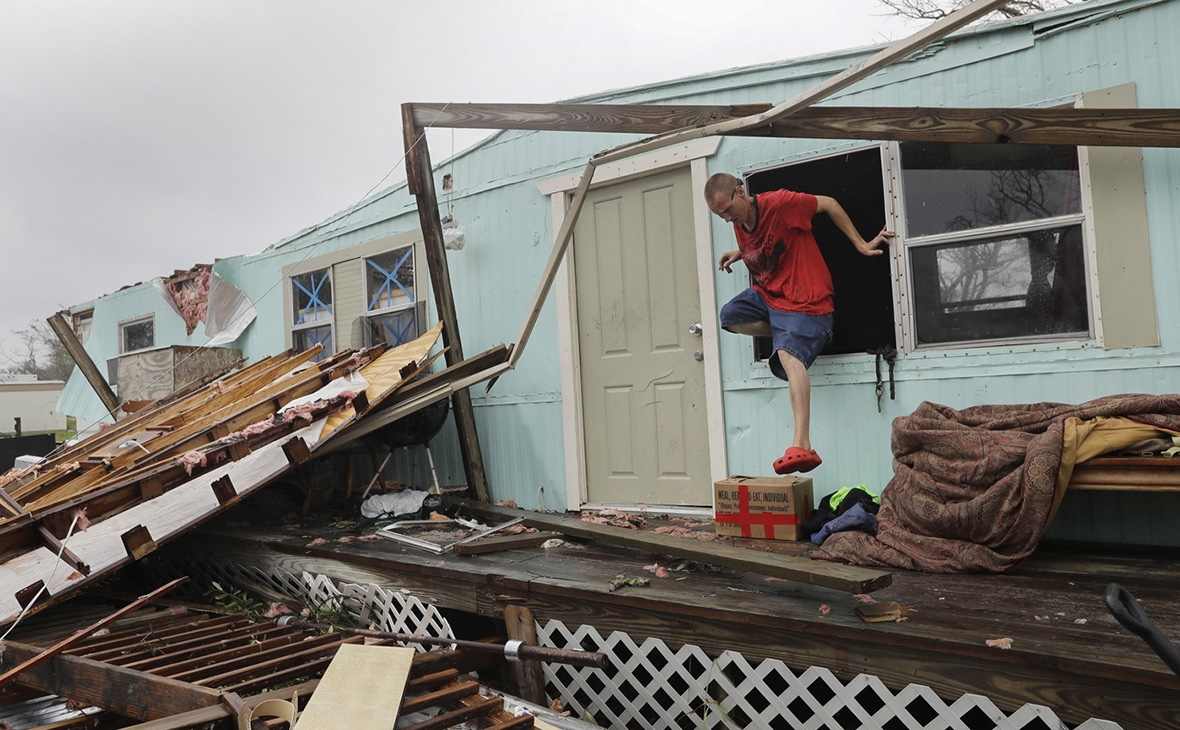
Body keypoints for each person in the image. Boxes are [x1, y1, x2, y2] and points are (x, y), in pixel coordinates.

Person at [705, 172, 892, 474]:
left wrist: (860, 243)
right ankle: (786, 332)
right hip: (772, 298)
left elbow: (829, 203)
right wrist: (740, 253)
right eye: (720, 215)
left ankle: (802, 442)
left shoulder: (780, 204)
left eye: (727, 209)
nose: (727, 218)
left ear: (740, 192)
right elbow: (768, 241)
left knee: (788, 357)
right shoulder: (741, 223)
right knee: (729, 316)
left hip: (808, 302)